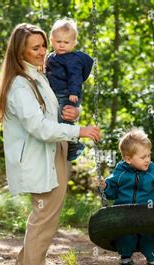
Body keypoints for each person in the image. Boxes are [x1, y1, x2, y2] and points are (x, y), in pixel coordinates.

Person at [0, 23, 100, 265]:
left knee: (44, 219)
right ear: (20, 52)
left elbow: (51, 118)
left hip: (53, 153)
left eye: (43, 46)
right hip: (39, 159)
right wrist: (79, 131)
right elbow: (39, 128)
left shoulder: (39, 77)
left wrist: (69, 113)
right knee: (43, 221)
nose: (43, 52)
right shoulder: (19, 85)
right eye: (35, 47)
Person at [97, 128, 154, 265]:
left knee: (152, 236)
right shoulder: (120, 173)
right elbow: (111, 192)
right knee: (125, 237)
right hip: (125, 215)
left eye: (149, 155)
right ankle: (126, 261)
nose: (148, 159)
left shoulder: (151, 170)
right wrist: (105, 187)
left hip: (148, 214)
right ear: (128, 159)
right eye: (143, 157)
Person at [45, 18, 94, 161]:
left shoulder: (73, 59)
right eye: (58, 41)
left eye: (66, 43)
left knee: (64, 116)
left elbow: (75, 77)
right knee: (59, 117)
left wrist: (74, 92)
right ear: (52, 40)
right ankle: (71, 144)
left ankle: (74, 144)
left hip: (68, 94)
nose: (61, 45)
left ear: (73, 43)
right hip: (56, 93)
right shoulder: (51, 57)